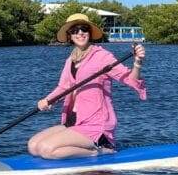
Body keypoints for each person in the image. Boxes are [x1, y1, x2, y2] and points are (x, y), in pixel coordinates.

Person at [28, 12, 147, 160]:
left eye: (84, 29)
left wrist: (137, 63)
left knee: (46, 149)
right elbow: (63, 87)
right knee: (33, 146)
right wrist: (47, 100)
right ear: (69, 35)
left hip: (96, 124)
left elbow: (129, 79)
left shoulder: (102, 56)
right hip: (74, 122)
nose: (80, 33)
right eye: (74, 30)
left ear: (89, 33)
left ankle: (99, 150)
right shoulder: (70, 60)